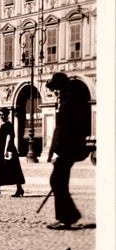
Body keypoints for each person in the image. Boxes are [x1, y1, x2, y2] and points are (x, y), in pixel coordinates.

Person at [45, 72, 89, 230]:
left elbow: (63, 130)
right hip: (66, 149)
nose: (54, 92)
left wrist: (57, 152)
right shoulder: (68, 100)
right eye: (53, 89)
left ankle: (66, 217)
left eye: (55, 88)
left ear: (61, 87)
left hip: (65, 149)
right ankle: (69, 215)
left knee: (57, 182)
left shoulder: (68, 102)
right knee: (58, 182)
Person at [0, 108, 25, 197]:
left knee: (12, 170)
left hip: (7, 150)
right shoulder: (3, 125)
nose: (2, 116)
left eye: (3, 114)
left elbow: (9, 138)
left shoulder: (8, 125)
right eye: (0, 114)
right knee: (2, 170)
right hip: (2, 150)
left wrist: (6, 150)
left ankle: (18, 189)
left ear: (7, 115)